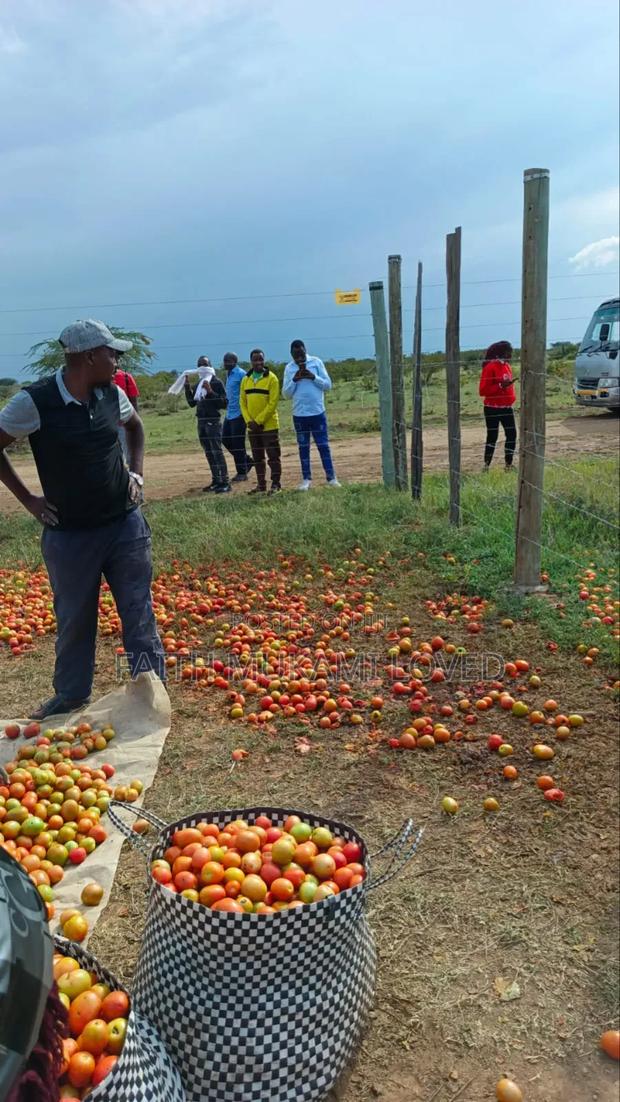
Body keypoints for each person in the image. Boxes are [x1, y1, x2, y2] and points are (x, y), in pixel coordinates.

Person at [0, 319, 166, 719]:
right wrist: (30, 501)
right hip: (70, 535)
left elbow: (135, 427)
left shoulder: (112, 392)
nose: (118, 360)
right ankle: (71, 694)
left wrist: (136, 473)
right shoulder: (34, 402)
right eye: (112, 353)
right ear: (90, 356)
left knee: (138, 611)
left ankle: (152, 694)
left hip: (124, 525)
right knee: (75, 618)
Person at [282, 339, 340, 490]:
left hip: (317, 412)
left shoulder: (316, 362)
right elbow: (286, 395)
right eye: (296, 355)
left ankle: (331, 478)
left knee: (323, 446)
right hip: (299, 414)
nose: (299, 358)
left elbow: (328, 385)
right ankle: (306, 479)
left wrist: (313, 377)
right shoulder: (289, 368)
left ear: (305, 350)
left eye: (301, 354)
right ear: (291, 355)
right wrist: (295, 379)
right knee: (303, 447)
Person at [184, 356, 230, 494]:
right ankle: (216, 480)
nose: (202, 367)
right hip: (201, 422)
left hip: (213, 422)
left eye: (204, 365)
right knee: (209, 452)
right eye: (199, 365)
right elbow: (192, 403)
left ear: (210, 366)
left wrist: (210, 392)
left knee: (217, 452)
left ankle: (225, 481)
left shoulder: (216, 382)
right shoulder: (199, 383)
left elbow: (224, 403)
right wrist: (187, 388)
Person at [240, 349, 282, 494]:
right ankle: (261, 485)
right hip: (252, 427)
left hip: (269, 425)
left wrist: (258, 421)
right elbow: (242, 402)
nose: (258, 362)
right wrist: (249, 421)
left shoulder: (272, 378)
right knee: (258, 458)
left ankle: (276, 485)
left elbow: (273, 403)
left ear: (264, 360)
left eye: (260, 359)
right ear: (251, 361)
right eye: (255, 360)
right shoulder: (246, 379)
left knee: (273, 456)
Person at [478, 340, 518, 470]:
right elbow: (483, 391)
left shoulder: (506, 366)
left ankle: (508, 464)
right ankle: (486, 465)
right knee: (492, 436)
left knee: (512, 435)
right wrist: (500, 385)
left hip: (507, 407)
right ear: (502, 352)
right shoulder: (490, 367)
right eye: (508, 352)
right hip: (492, 408)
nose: (511, 355)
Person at [221, 352, 254, 481]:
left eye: (228, 361)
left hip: (240, 414)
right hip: (229, 413)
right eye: (224, 360)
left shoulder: (241, 374)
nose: (225, 363)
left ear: (235, 361)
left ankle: (242, 472)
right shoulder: (228, 374)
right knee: (225, 439)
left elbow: (248, 391)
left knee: (238, 443)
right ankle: (247, 460)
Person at [113, 363, 140, 462]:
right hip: (124, 419)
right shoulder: (126, 377)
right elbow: (133, 401)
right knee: (128, 450)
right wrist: (135, 422)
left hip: (105, 420)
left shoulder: (97, 378)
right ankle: (132, 473)